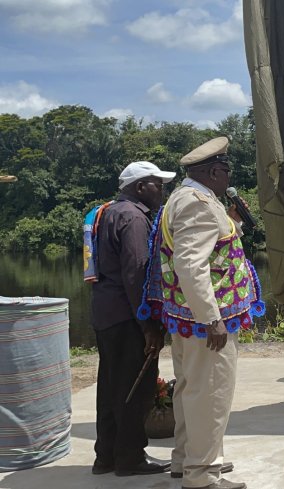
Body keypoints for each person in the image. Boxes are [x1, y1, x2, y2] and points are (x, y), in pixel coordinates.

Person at [138, 137, 264, 489]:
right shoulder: (199, 204)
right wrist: (213, 318)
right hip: (204, 321)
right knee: (211, 394)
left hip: (187, 317)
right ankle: (203, 475)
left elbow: (210, 248)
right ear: (213, 172)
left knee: (190, 390)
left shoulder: (185, 197)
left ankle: (186, 460)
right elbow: (191, 264)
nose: (228, 178)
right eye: (226, 171)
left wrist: (234, 223)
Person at [90, 161, 175, 477]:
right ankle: (130, 458)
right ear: (141, 187)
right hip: (128, 318)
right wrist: (149, 325)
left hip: (106, 313)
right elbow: (136, 274)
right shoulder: (134, 218)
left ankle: (106, 457)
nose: (162, 189)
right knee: (135, 389)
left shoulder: (110, 211)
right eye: (158, 183)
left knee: (111, 387)